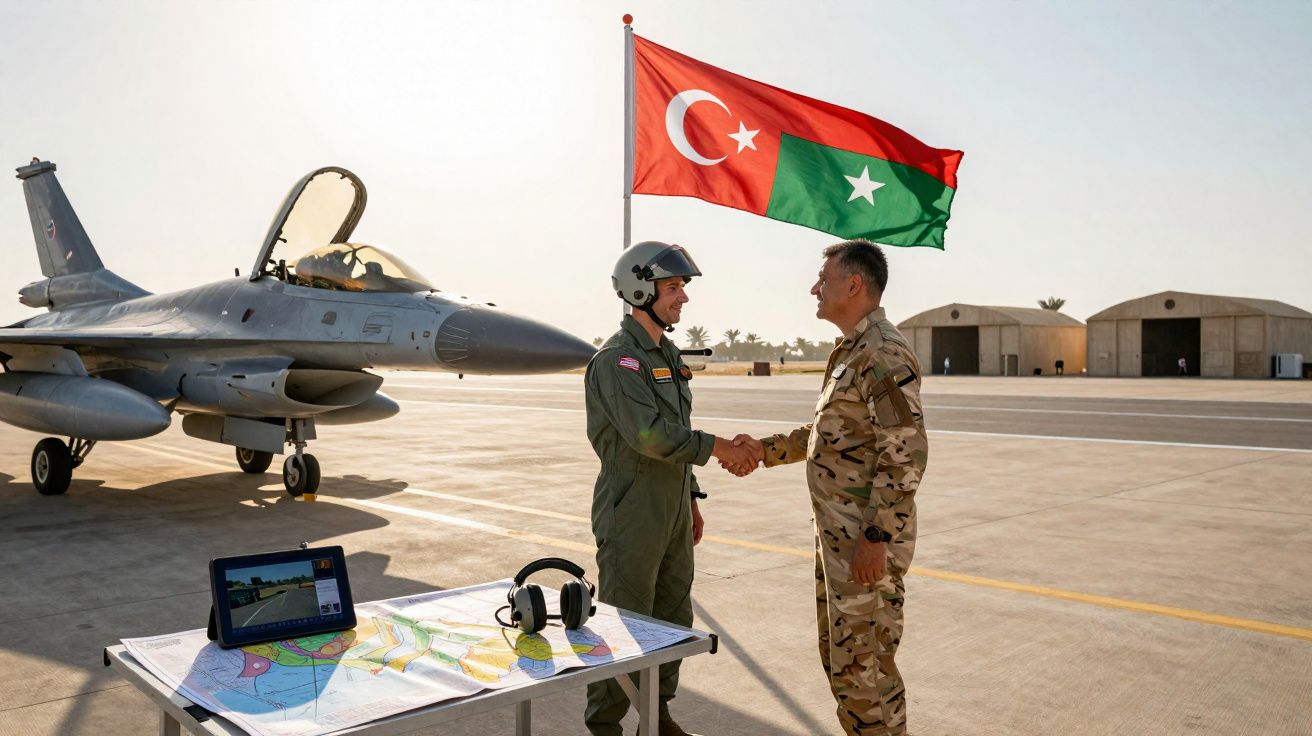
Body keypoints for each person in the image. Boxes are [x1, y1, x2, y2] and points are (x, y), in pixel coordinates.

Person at [731, 239, 928, 736]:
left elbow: (905, 452)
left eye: (824, 278)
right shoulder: (852, 349)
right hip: (841, 543)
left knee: (867, 674)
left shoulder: (881, 351)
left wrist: (876, 538)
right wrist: (764, 449)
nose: (814, 287)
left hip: (864, 546)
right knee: (847, 666)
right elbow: (831, 436)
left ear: (854, 284)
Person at [583, 240, 757, 736]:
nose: (683, 298)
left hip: (673, 505)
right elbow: (649, 436)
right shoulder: (619, 361)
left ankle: (656, 718)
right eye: (674, 287)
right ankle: (604, 725)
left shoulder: (667, 353)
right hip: (632, 507)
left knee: (672, 616)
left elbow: (676, 424)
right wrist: (720, 446)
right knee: (624, 619)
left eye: (682, 288)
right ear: (642, 289)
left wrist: (692, 496)